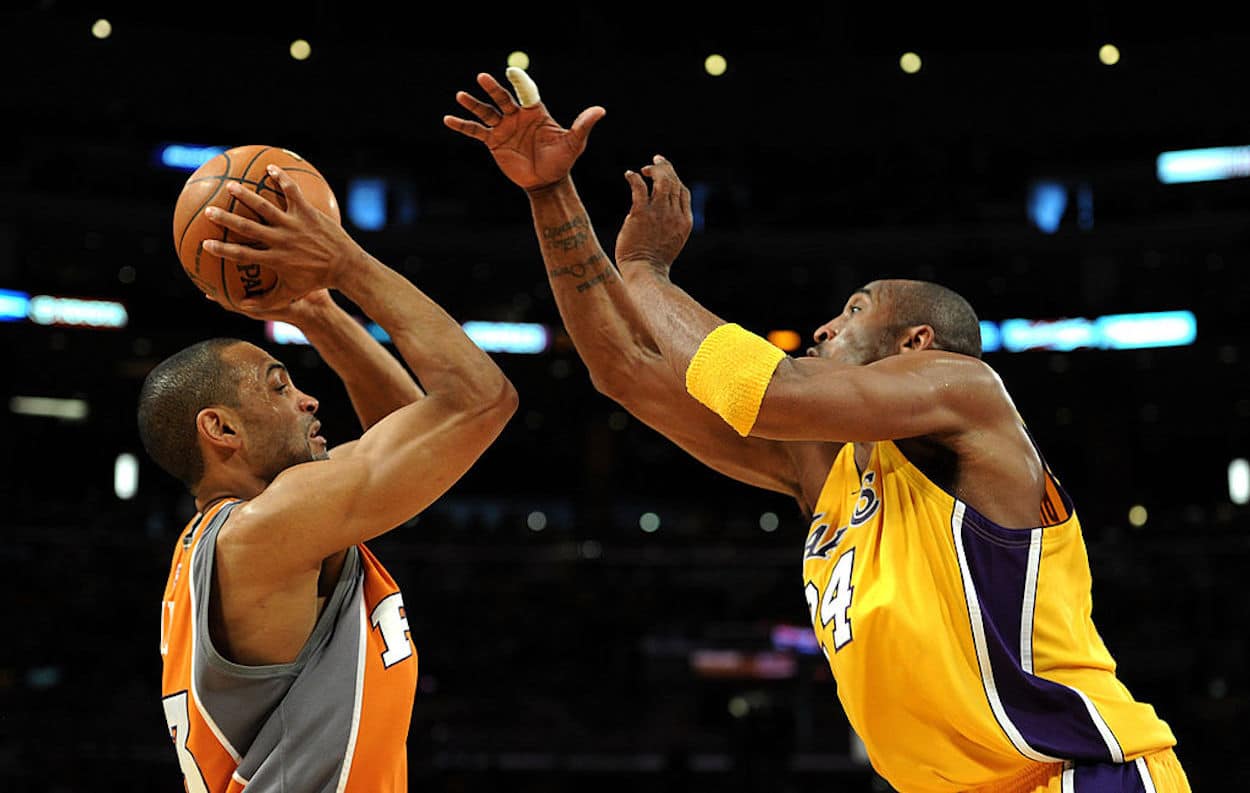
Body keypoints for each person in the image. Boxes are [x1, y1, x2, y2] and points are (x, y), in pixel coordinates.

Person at [445, 68, 1190, 792]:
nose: (828, 323)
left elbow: (764, 390)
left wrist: (644, 270)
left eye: (857, 309)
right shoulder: (829, 471)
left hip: (1080, 770)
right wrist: (549, 193)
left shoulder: (968, 393)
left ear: (916, 343)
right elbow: (626, 370)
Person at [140, 164, 518, 792]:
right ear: (221, 429)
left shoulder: (255, 531)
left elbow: (410, 430)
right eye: (279, 386)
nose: (310, 399)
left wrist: (316, 311)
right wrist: (345, 265)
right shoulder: (267, 529)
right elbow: (480, 399)